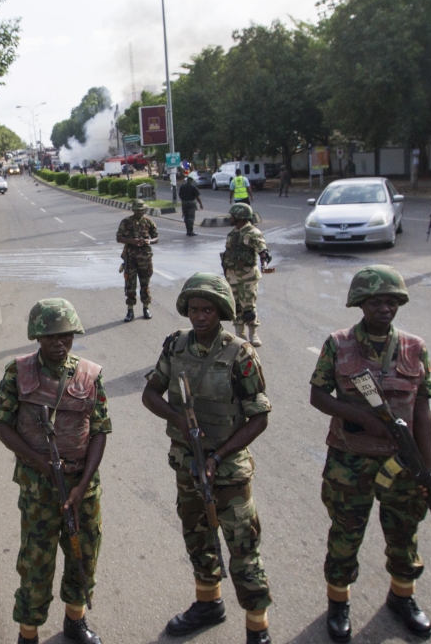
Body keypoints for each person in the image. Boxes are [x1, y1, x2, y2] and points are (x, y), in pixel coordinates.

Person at [309, 266, 431, 641]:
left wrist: (429, 470)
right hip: (349, 461)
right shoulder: (338, 344)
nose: (384, 308)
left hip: (402, 463)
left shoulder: (415, 347)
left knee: (404, 533)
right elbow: (318, 395)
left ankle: (403, 596)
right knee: (345, 534)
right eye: (375, 302)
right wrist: (361, 417)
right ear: (359, 304)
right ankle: (338, 602)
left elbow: (423, 411)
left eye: (390, 301)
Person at [141, 273, 273, 644]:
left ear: (221, 312)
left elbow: (259, 416)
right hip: (187, 463)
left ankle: (257, 626)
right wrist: (177, 419)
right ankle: (208, 603)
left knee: (242, 545)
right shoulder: (175, 346)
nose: (199, 317)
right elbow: (150, 394)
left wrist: (221, 454)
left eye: (208, 310)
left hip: (228, 470)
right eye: (194, 309)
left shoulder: (241, 353)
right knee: (197, 535)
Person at [0, 299, 110, 644]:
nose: (60, 343)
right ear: (37, 337)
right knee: (36, 561)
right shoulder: (18, 372)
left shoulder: (89, 374)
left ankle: (76, 621)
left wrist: (82, 484)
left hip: (82, 486)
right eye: (52, 336)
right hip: (38, 487)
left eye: (67, 336)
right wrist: (39, 462)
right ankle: (28, 633)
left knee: (83, 553)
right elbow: (1, 425)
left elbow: (101, 429)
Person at [221, 204, 271, 347]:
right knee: (236, 306)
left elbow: (263, 251)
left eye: (232, 216)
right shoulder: (232, 233)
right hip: (232, 275)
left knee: (248, 306)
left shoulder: (252, 232)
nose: (230, 218)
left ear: (239, 216)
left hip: (247, 276)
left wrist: (264, 265)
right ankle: (239, 333)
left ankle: (253, 333)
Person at [116, 199, 159, 322]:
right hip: (130, 258)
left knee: (145, 285)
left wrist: (149, 241)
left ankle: (146, 308)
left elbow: (156, 237)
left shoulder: (149, 222)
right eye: (137, 210)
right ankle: (130, 310)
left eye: (142, 210)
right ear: (133, 210)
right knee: (130, 285)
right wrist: (132, 241)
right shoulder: (126, 222)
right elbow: (118, 238)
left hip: (145, 258)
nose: (140, 212)